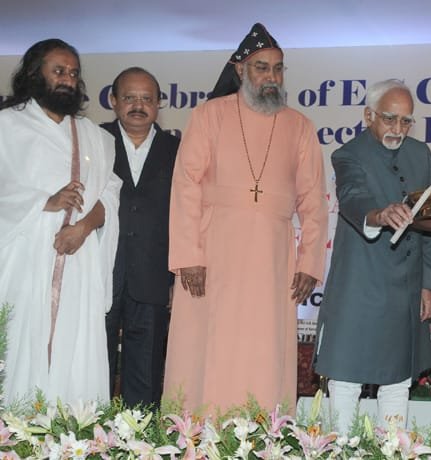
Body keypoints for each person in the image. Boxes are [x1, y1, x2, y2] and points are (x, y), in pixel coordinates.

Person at [164, 23, 327, 413]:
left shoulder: (300, 126)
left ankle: (260, 436)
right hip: (212, 254)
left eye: (278, 68)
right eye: (261, 68)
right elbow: (186, 186)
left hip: (272, 260)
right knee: (207, 347)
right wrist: (189, 256)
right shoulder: (209, 115)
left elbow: (313, 202)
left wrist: (309, 263)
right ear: (240, 70)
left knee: (262, 347)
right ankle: (195, 438)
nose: (271, 77)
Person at [313, 79, 431, 434]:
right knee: (346, 375)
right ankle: (339, 450)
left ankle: (393, 449)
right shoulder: (348, 154)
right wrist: (379, 215)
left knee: (398, 380)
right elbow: (353, 197)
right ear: (369, 115)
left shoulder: (421, 155)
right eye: (389, 119)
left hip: (408, 285)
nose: (397, 129)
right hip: (360, 281)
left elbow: (430, 225)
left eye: (405, 121)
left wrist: (428, 285)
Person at [0, 38, 120, 405]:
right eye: (59, 71)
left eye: (73, 73)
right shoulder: (7, 127)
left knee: (74, 349)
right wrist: (44, 202)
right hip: (23, 262)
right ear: (35, 74)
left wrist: (83, 229)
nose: (68, 79)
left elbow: (110, 195)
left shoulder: (95, 138)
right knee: (21, 342)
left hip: (78, 261)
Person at [102, 67, 179, 408]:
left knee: (146, 372)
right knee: (93, 363)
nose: (138, 105)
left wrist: (178, 273)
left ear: (159, 104)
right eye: (130, 97)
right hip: (98, 272)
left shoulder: (178, 150)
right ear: (113, 101)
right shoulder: (94, 141)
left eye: (147, 99)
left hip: (153, 273)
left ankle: (140, 444)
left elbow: (188, 214)